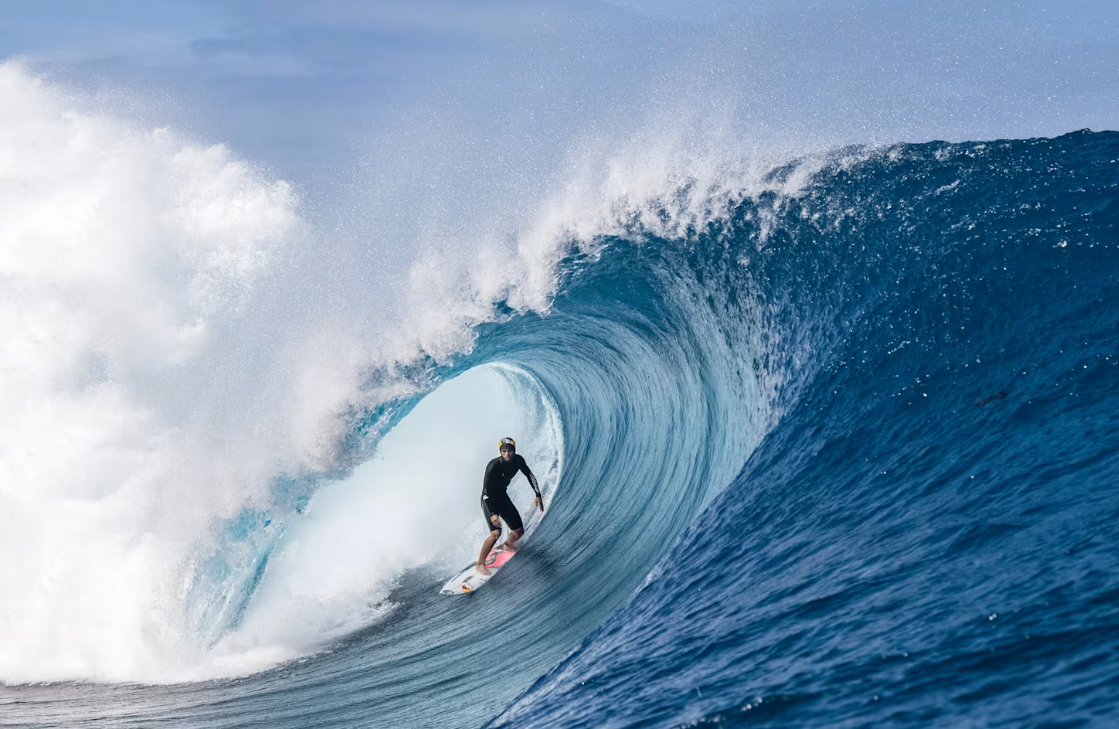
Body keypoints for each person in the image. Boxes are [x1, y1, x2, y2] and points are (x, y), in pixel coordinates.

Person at [476, 437, 542, 575]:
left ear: (514, 450)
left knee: (518, 531)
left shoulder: (518, 460)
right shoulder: (493, 466)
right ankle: (480, 564)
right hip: (489, 500)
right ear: (500, 452)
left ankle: (507, 545)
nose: (507, 454)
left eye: (509, 451)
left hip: (502, 497)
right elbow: (487, 492)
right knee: (496, 533)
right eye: (504, 451)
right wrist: (493, 514)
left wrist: (538, 494)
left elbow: (529, 475)